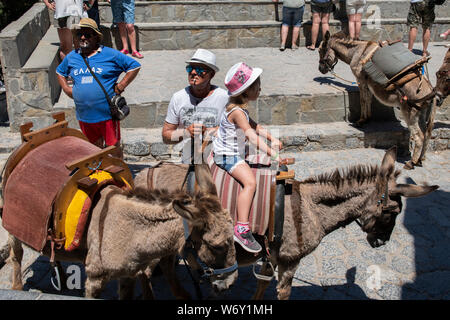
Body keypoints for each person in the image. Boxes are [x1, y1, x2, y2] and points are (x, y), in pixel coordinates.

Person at [212, 62, 282, 253]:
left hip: (235, 150)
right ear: (246, 91)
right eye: (257, 86)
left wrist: (271, 137)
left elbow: (256, 127)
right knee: (250, 183)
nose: (260, 89)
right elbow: (250, 135)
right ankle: (241, 228)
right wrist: (271, 152)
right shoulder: (236, 112)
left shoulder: (239, 108)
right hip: (227, 155)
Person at [56, 18, 141, 159]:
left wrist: (120, 86)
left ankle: (119, 176)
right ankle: (100, 175)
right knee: (93, 149)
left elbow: (134, 66)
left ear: (96, 37)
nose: (83, 37)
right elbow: (60, 72)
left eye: (87, 34)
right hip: (85, 117)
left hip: (107, 115)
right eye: (80, 34)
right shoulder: (72, 56)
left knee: (113, 148)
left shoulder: (109, 54)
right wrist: (66, 89)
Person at [162, 49, 229, 164]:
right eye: (190, 68)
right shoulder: (178, 98)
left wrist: (207, 131)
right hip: (189, 160)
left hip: (218, 159)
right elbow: (166, 136)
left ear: (211, 74)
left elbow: (236, 131)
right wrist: (186, 132)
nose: (193, 72)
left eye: (199, 69)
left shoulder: (224, 98)